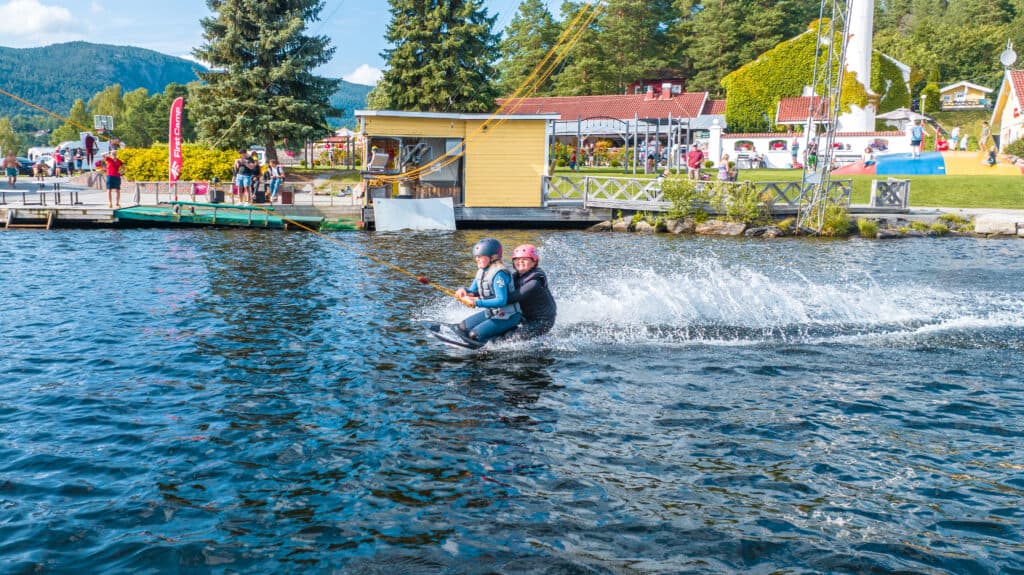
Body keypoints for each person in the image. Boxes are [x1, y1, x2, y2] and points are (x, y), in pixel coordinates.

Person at [453, 238, 522, 345]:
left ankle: (498, 339)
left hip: (509, 316)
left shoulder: (499, 274)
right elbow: (471, 290)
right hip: (492, 313)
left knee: (474, 335)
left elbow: (501, 300)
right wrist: (463, 290)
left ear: (493, 257)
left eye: (480, 256)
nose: (477, 259)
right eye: (476, 256)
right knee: (462, 327)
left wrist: (476, 302)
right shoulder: (481, 271)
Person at [508, 244, 557, 339]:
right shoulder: (515, 276)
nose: (520, 261)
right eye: (517, 259)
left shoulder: (534, 283)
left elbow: (510, 299)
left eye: (525, 259)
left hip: (542, 322)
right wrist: (473, 293)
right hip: (525, 317)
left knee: (512, 338)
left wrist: (478, 300)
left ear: (534, 262)